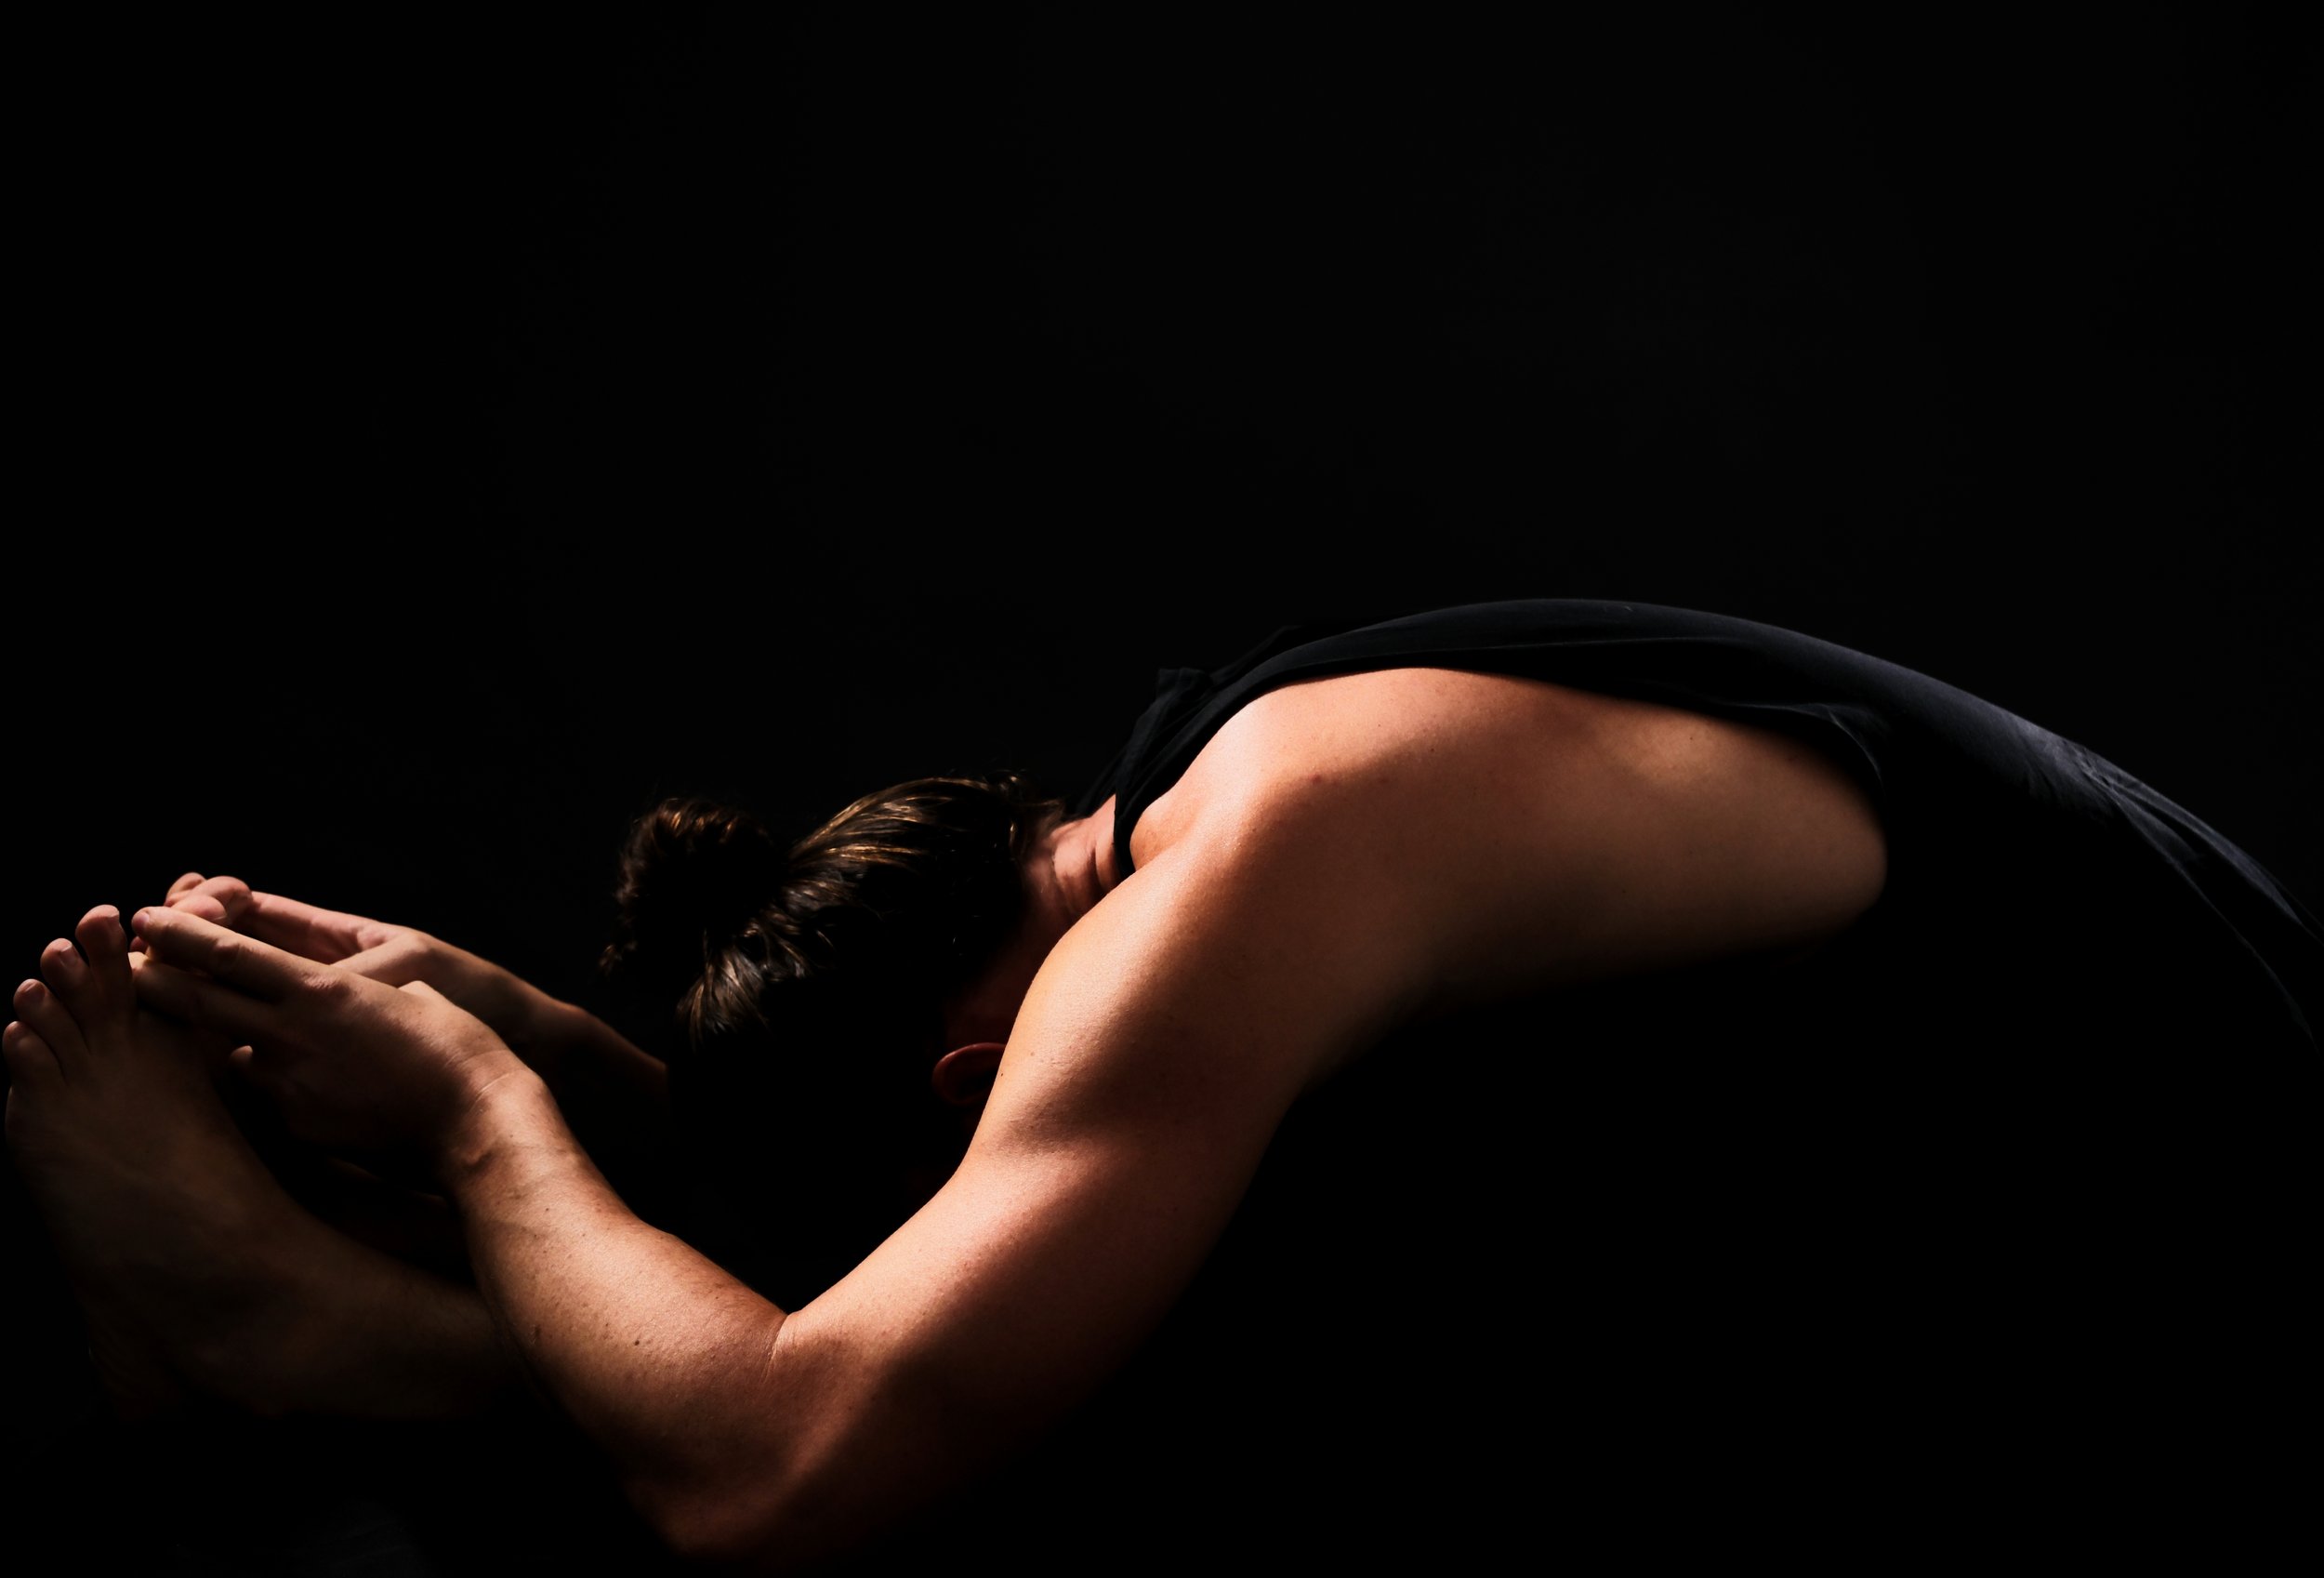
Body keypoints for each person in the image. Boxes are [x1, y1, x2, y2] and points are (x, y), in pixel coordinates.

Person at [6, 599, 2315, 1570]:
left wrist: (473, 1122)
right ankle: (408, 1348)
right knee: (1123, 1321)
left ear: (977, 1063)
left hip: (2189, 1300)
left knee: (957, 1450)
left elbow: (793, 1463)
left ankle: (378, 1359)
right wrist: (590, 1076)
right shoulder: (1212, 814)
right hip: (1983, 1245)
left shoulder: (1271, 845)